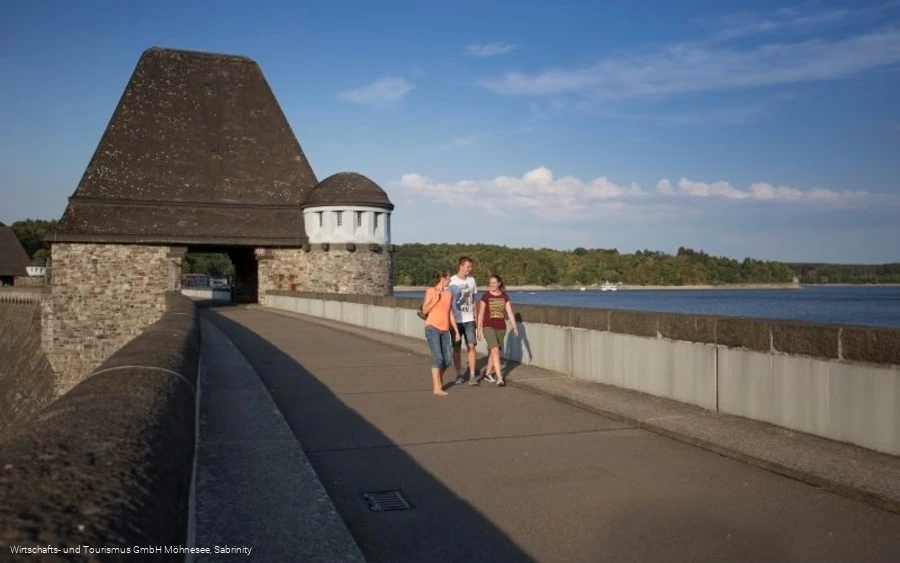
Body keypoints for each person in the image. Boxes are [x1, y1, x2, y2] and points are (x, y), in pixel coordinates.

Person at [421, 271, 461, 396]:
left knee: (447, 360)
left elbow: (450, 313)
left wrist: (456, 331)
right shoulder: (431, 291)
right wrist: (436, 299)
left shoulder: (448, 294)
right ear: (443, 278)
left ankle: (438, 379)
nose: (450, 280)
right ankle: (436, 387)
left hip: (445, 329)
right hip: (432, 327)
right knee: (438, 357)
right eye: (449, 278)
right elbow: (424, 309)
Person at [476, 273, 518, 387]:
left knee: (494, 352)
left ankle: (488, 373)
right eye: (490, 283)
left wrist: (515, 326)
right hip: (488, 326)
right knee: (495, 351)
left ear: (499, 283)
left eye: (494, 283)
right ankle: (500, 378)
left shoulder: (505, 296)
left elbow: (509, 312)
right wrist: (479, 329)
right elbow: (481, 314)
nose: (492, 285)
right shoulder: (485, 296)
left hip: (501, 328)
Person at [448, 256, 479, 386]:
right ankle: (459, 374)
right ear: (460, 266)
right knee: (456, 348)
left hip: (469, 319)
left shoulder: (472, 281)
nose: (470, 269)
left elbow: (474, 300)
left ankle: (472, 376)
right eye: (468, 267)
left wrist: (476, 317)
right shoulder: (451, 281)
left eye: (471, 267)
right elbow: (447, 302)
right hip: (456, 320)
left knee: (471, 346)